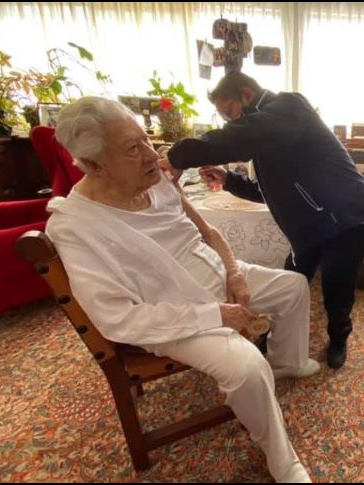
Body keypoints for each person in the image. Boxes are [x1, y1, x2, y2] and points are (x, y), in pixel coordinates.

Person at [46, 97, 320, 483]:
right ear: (93, 165)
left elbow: (209, 232)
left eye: (145, 140)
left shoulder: (156, 180)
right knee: (246, 367)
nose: (151, 155)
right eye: (132, 149)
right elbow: (116, 318)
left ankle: (286, 362)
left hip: (218, 275)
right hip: (172, 312)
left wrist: (234, 273)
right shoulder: (75, 226)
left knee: (293, 286)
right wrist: (215, 315)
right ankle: (282, 460)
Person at [165, 72, 364, 369]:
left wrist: (177, 156)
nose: (230, 121)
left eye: (230, 112)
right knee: (290, 281)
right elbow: (268, 191)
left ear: (246, 94)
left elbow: (238, 137)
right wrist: (228, 180)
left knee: (337, 288)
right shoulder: (268, 132)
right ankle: (275, 333)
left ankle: (339, 337)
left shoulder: (289, 107)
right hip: (311, 222)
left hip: (345, 216)